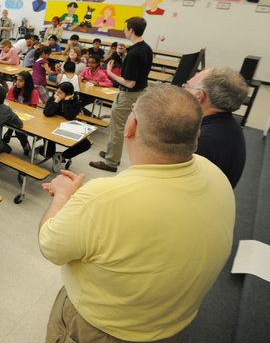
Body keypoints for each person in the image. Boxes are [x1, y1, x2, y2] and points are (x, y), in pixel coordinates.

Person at [39, 85, 234, 343]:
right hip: (171, 325)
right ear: (196, 134)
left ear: (130, 126)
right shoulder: (215, 174)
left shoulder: (101, 197)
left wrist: (64, 197)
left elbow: (50, 246)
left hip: (101, 329)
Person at [90, 17, 153, 172]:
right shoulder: (145, 48)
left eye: (125, 28)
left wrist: (110, 72)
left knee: (117, 128)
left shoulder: (134, 53)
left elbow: (129, 82)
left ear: (131, 30)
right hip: (139, 92)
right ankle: (113, 154)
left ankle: (111, 162)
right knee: (118, 127)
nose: (124, 31)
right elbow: (139, 71)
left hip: (128, 94)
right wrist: (124, 56)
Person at [184, 67, 248, 188]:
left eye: (187, 86)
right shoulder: (228, 125)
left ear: (199, 96)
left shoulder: (201, 141)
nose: (183, 91)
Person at [37, 82, 92, 171]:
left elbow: (69, 117)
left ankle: (61, 156)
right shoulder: (53, 98)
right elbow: (47, 113)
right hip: (50, 128)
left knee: (86, 144)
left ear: (68, 95)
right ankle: (40, 149)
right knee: (48, 153)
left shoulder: (76, 102)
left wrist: (66, 102)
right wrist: (56, 101)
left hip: (67, 129)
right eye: (56, 91)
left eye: (60, 93)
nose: (57, 94)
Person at [4, 71, 39, 155]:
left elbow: (33, 110)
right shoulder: (14, 88)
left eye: (20, 81)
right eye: (17, 80)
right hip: (14, 114)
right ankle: (9, 133)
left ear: (27, 82)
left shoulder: (34, 92)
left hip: (26, 117)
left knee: (19, 130)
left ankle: (24, 144)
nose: (17, 82)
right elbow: (10, 104)